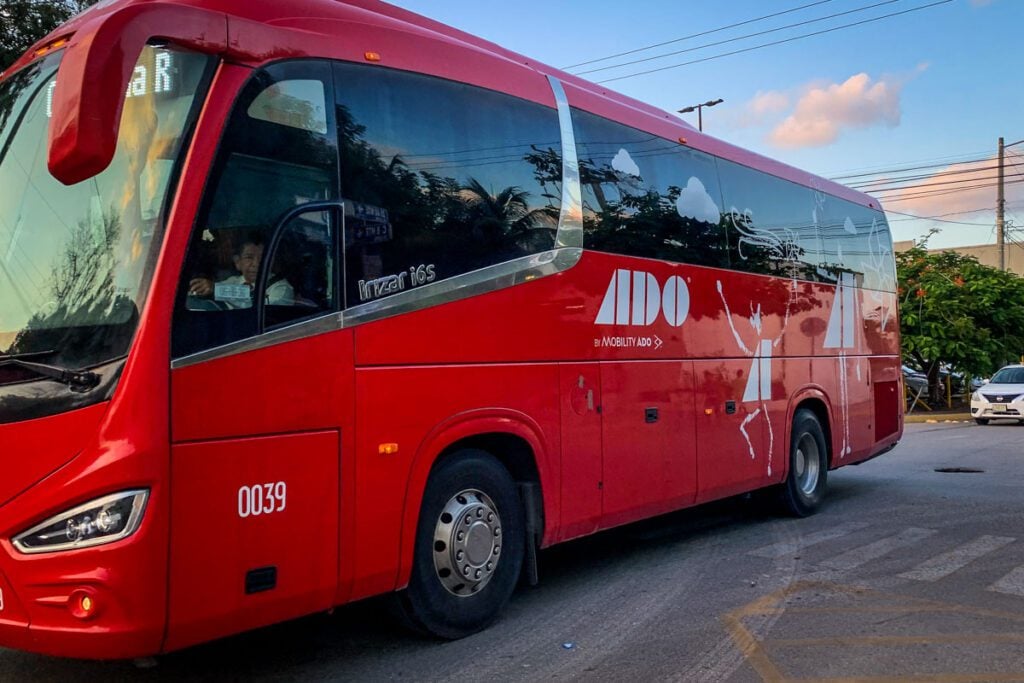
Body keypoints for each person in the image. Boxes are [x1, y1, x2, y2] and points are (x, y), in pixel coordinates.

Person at [188, 234, 294, 308]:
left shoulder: (282, 288)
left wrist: (218, 290)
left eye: (263, 258)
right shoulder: (232, 282)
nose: (256, 264)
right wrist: (200, 289)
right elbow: (210, 290)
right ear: (238, 262)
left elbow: (259, 307)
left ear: (271, 262)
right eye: (249, 257)